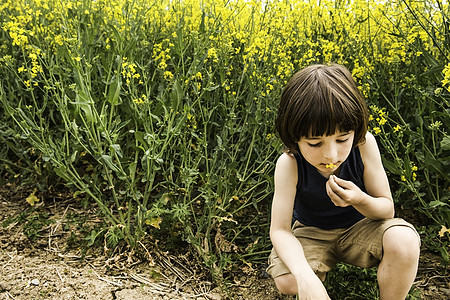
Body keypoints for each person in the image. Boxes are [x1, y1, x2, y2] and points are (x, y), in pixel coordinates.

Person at [267, 63, 420, 300]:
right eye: (315, 144)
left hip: (362, 227)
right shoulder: (289, 163)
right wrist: (304, 275)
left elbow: (386, 209)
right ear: (294, 137)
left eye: (342, 139)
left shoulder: (364, 144)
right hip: (311, 231)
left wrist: (359, 199)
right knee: (289, 281)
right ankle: (315, 274)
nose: (331, 155)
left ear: (355, 130)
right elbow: (280, 230)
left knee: (404, 240)